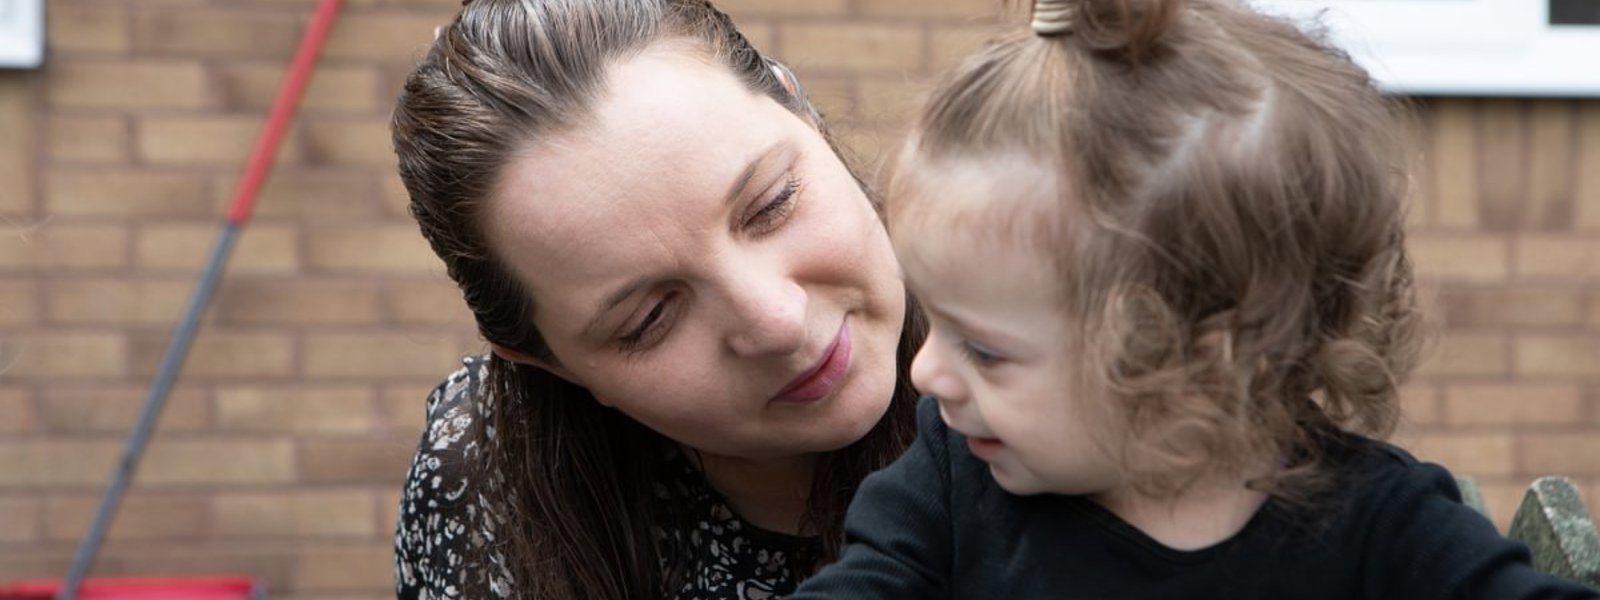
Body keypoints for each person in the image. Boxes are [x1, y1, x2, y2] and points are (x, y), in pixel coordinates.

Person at [788, 0, 1600, 598]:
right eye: (936, 321)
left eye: (986, 349)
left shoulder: (1379, 529)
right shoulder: (951, 479)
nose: (926, 374)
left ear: (1191, 360)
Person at [387, 0, 926, 598]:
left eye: (772, 204)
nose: (778, 322)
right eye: (650, 320)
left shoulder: (1039, 325)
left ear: (801, 109)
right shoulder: (484, 485)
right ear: (549, 363)